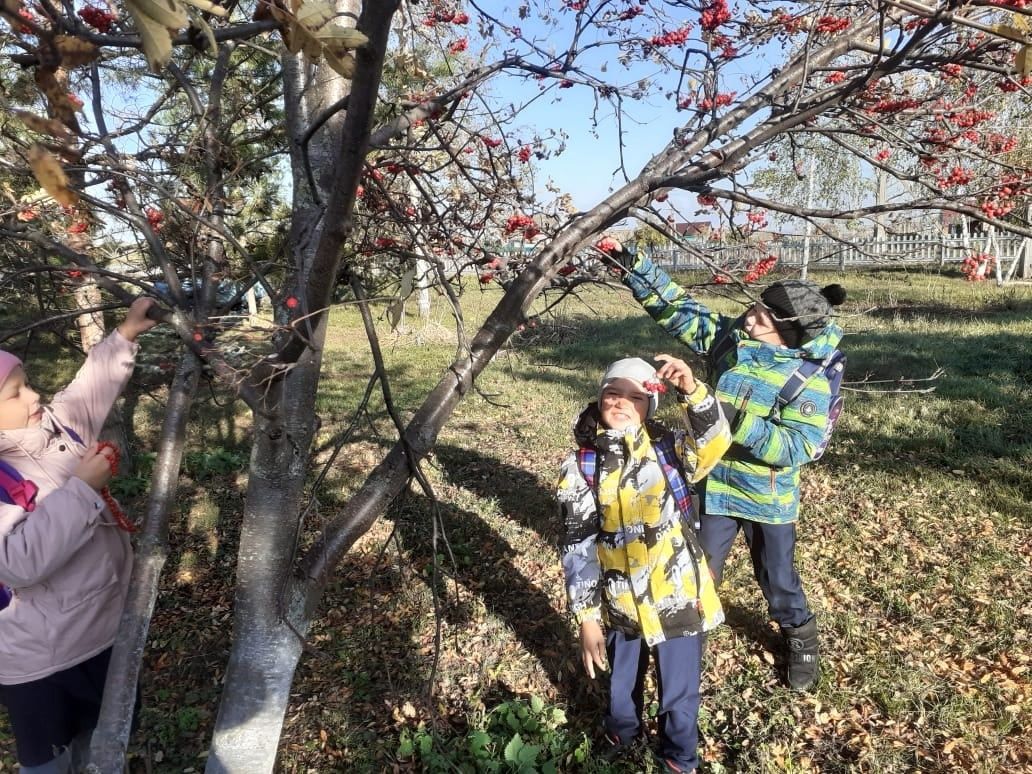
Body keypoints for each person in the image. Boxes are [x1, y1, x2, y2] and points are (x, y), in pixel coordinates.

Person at [613, 245, 846, 691]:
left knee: (777, 580)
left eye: (763, 317)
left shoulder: (808, 379)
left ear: (786, 334)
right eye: (756, 306)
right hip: (714, 487)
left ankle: (800, 636)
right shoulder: (733, 343)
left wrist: (728, 417)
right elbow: (681, 310)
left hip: (766, 497)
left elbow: (798, 445)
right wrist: (631, 264)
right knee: (695, 569)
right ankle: (686, 640)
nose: (750, 316)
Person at [0, 297, 159, 774]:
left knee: (104, 740)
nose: (35, 397)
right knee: (50, 759)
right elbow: (18, 560)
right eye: (15, 394)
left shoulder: (55, 430)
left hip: (105, 632)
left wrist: (125, 334)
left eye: (27, 385)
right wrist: (83, 489)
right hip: (42, 662)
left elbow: (87, 391)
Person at [557, 355, 731, 772]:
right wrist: (587, 617)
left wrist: (693, 391)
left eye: (634, 397)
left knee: (680, 689)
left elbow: (714, 442)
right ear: (599, 398)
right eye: (612, 393)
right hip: (620, 600)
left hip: (678, 596)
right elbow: (577, 546)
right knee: (621, 678)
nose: (620, 403)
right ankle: (622, 730)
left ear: (649, 406)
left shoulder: (669, 450)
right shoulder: (581, 465)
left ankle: (679, 755)